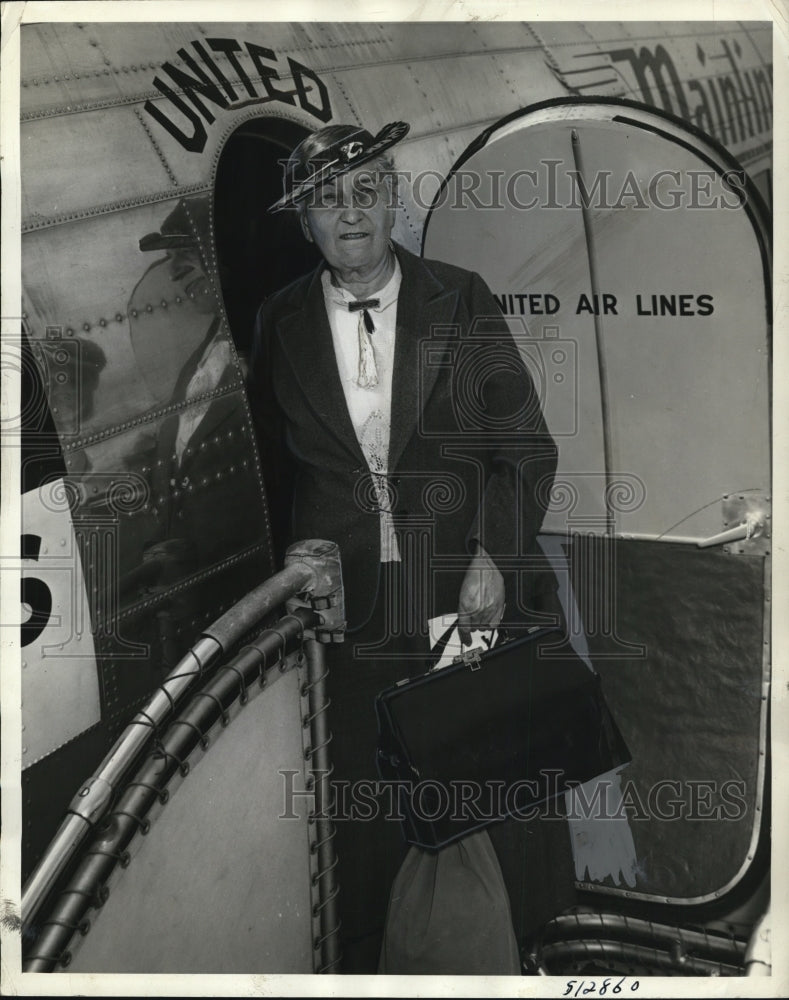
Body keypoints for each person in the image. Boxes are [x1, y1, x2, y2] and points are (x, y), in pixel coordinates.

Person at [248, 122, 573, 972]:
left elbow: (525, 448)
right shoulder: (278, 321)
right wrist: (298, 566)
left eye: (365, 193)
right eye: (327, 201)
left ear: (392, 201)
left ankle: (520, 957)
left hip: (463, 584)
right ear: (305, 223)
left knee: (490, 795)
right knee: (377, 804)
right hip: (352, 606)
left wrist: (495, 561)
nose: (349, 214)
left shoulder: (458, 298)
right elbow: (277, 470)